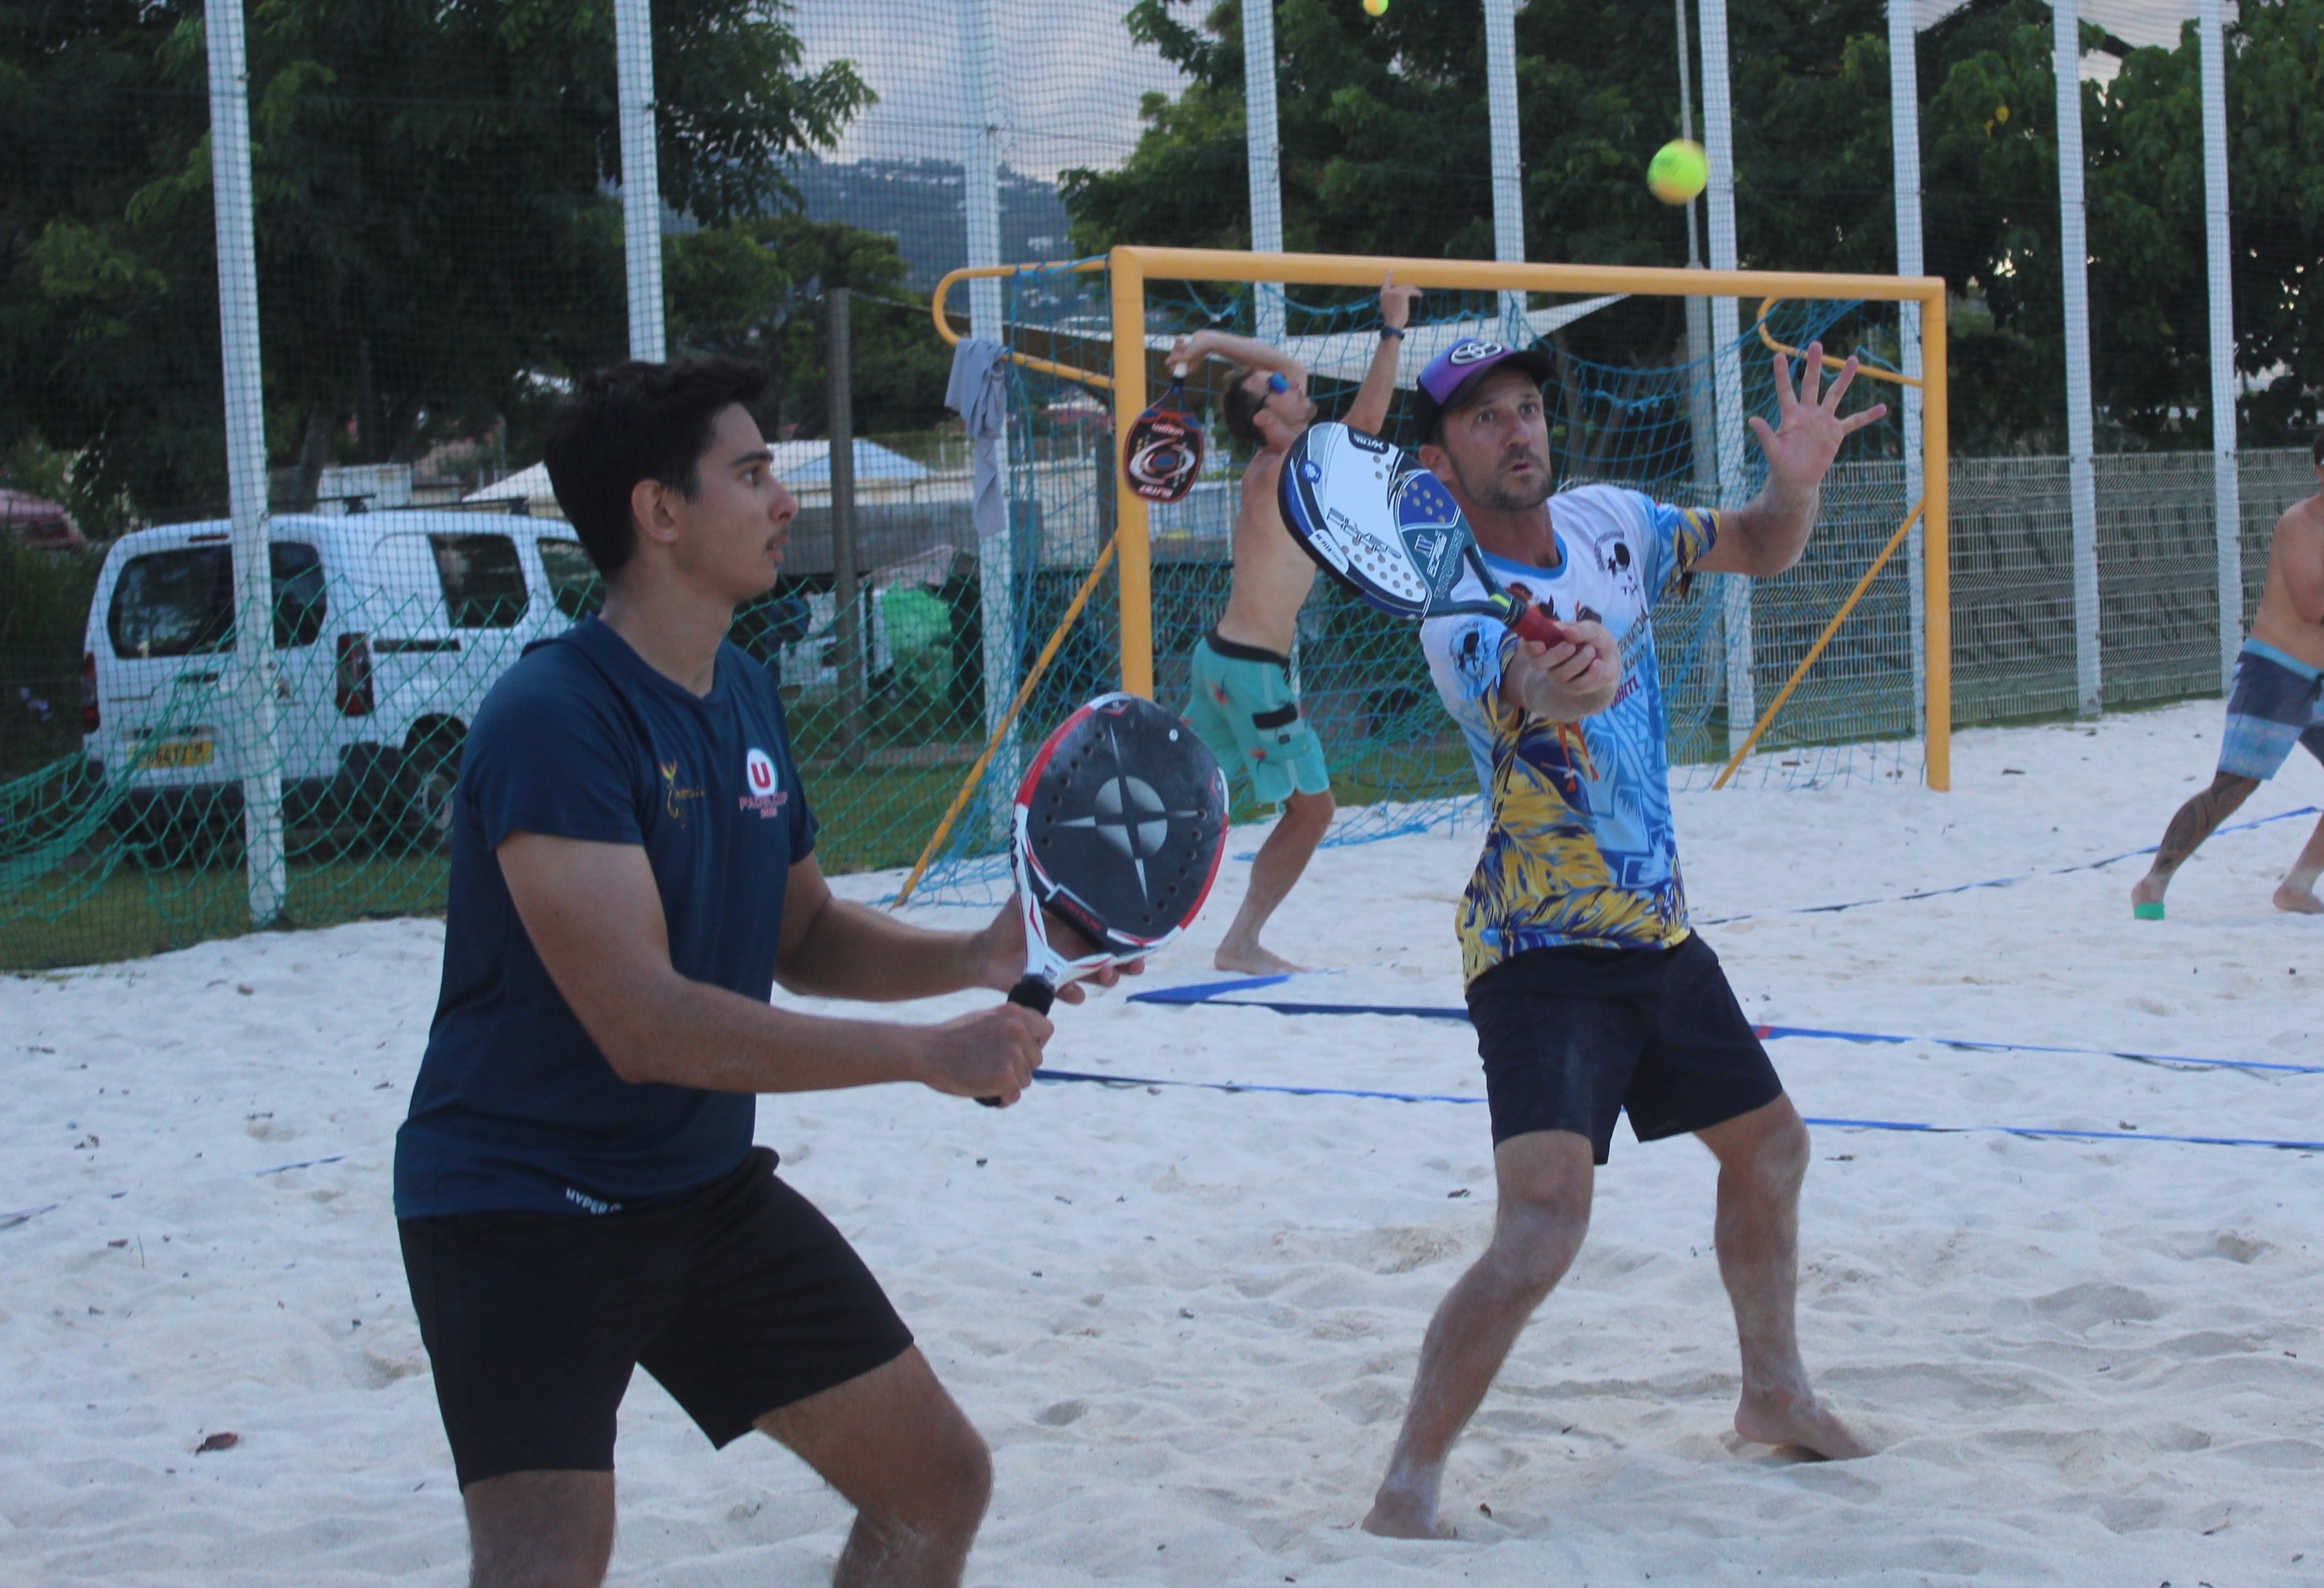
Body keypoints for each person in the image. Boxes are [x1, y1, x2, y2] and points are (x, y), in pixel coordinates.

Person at [393, 356, 1125, 1588]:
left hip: (696, 1192)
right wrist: (923, 1053)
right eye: (750, 472)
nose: (782, 499)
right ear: (658, 510)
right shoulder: (551, 717)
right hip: (522, 1210)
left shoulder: (736, 686)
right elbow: (644, 1023)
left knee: (936, 1482)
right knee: (545, 1558)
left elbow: (802, 934)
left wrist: (980, 955)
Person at [1360, 337, 1885, 1539]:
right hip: (1539, 948)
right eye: (1484, 419)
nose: (1516, 431)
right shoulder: (1450, 600)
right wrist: (1573, 672)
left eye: (1527, 408)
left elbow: (1754, 542)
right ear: (1439, 462)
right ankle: (1405, 1487)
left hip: (1653, 930)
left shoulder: (1611, 520)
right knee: (1542, 1227)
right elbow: (1536, 688)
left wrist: (1792, 486)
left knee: (1770, 1152)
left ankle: (1772, 1392)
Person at [1167, 272, 1420, 973]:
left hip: (1220, 660)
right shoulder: (1287, 465)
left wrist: (1209, 341)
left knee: (1184, 801)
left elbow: (1286, 369)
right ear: (1265, 421)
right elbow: (1366, 424)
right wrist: (1390, 325)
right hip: (1249, 674)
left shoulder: (1267, 459)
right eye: (1272, 391)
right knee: (1312, 810)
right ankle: (1240, 941)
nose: (1289, 383)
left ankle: (1112, 908)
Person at [2130, 420, 2324, 918]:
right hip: (2276, 672)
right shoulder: (2301, 524)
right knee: (2232, 789)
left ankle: (2296, 887)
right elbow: (2313, 605)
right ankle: (2153, 882)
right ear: (2320, 469)